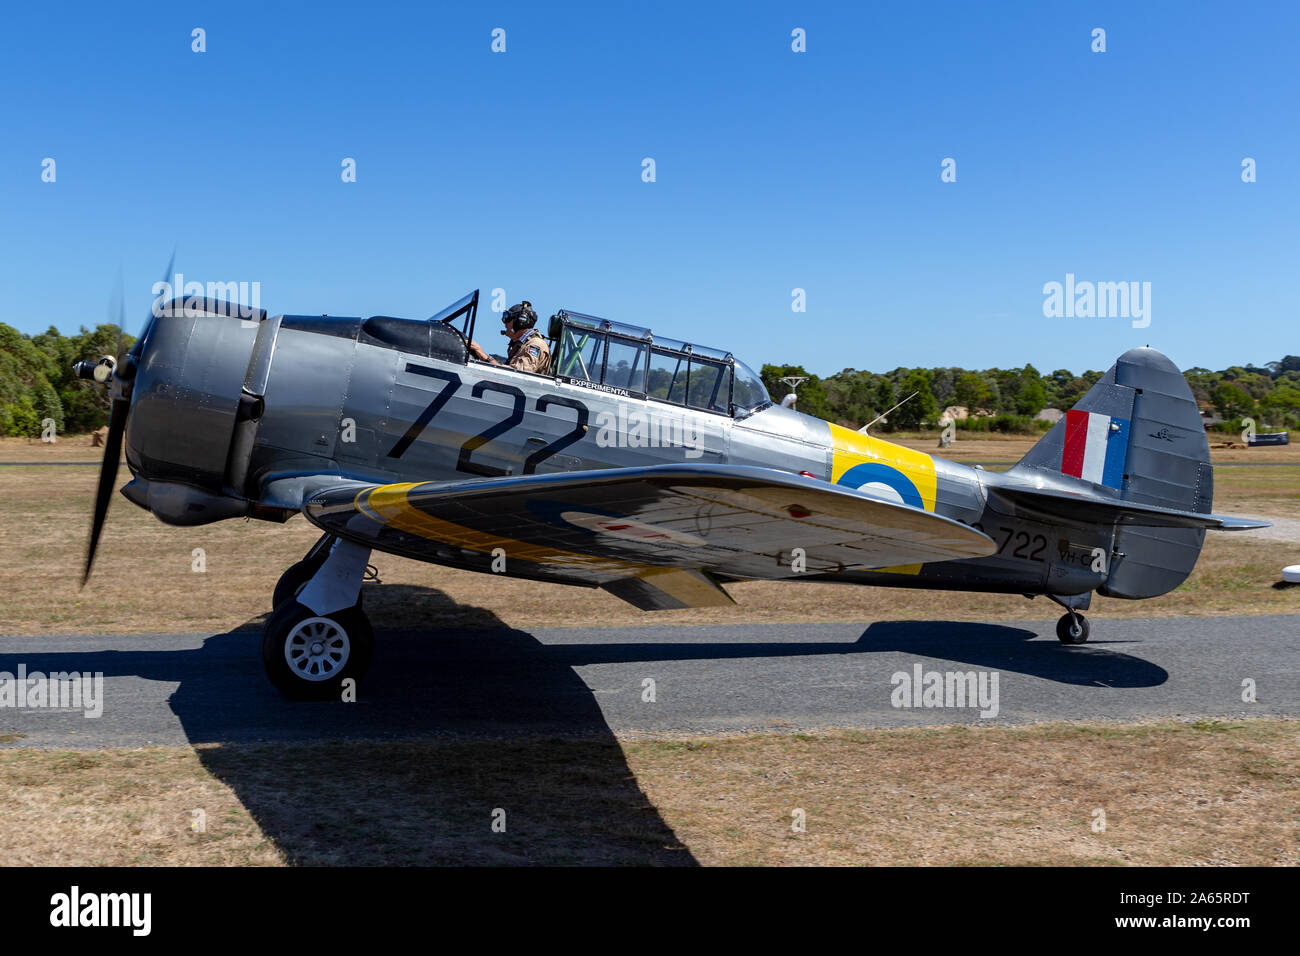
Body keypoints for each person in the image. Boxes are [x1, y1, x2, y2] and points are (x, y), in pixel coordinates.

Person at [469, 301, 551, 373]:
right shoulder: (521, 344)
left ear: (520, 322)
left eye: (508, 319)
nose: (505, 323)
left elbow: (518, 375)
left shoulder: (535, 344)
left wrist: (485, 357)